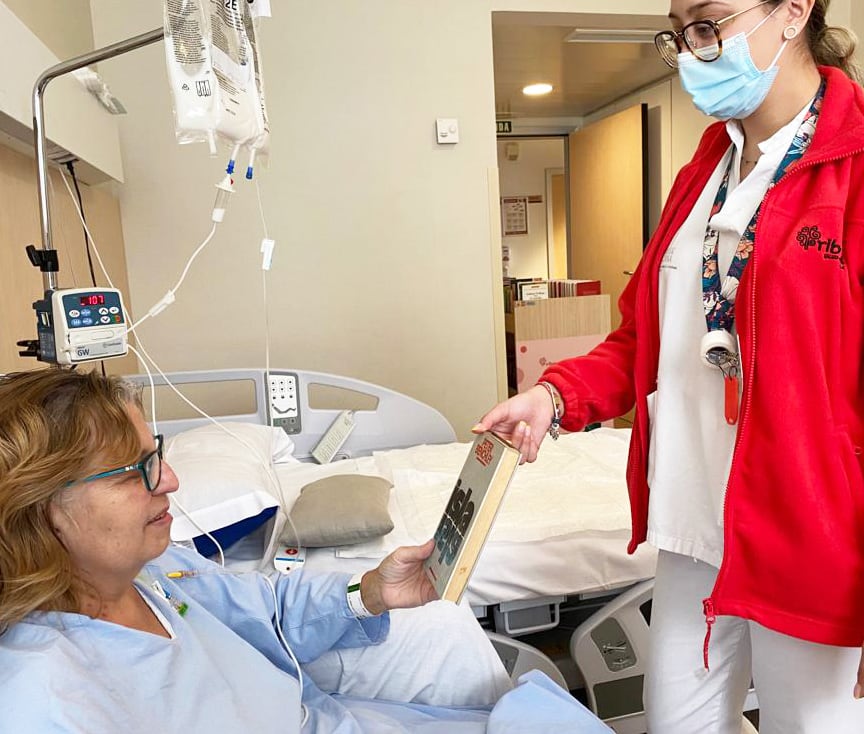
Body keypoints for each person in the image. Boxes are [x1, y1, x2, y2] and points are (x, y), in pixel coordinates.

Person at [475, 1, 864, 732]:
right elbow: (644, 339)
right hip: (695, 525)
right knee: (673, 722)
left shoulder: (856, 165)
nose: (692, 49)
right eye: (681, 29)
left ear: (794, 12)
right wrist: (555, 397)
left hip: (810, 540)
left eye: (710, 22)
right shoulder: (707, 168)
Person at [0, 368, 612, 734]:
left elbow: (266, 607)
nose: (171, 482)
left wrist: (371, 590)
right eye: (134, 472)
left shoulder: (158, 574)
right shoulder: (48, 697)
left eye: (156, 455)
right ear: (41, 509)